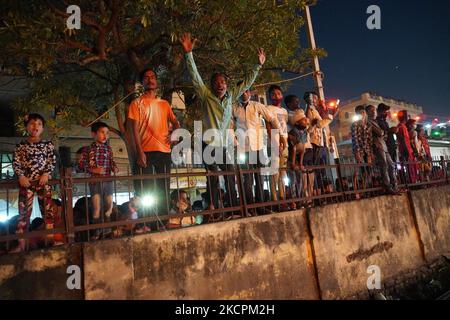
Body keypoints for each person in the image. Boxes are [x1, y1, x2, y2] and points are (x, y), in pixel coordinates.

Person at [180, 32, 265, 210]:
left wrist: (258, 65)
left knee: (230, 175)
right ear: (212, 85)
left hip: (226, 143)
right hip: (208, 142)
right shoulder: (205, 95)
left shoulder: (231, 96)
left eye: (223, 82)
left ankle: (234, 207)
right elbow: (195, 76)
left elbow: (247, 83)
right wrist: (189, 54)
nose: (220, 84)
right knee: (212, 176)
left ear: (226, 85)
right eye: (217, 82)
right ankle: (214, 208)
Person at [128, 68, 180, 214]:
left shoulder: (164, 104)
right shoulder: (136, 103)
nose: (150, 79)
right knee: (148, 190)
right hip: (146, 152)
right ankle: (150, 223)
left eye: (152, 77)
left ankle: (164, 220)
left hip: (164, 151)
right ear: (142, 82)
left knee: (164, 188)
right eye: (146, 77)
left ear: (156, 81)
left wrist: (174, 137)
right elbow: (134, 130)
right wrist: (139, 153)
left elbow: (176, 123)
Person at [11, 113, 56, 252]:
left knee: (48, 213)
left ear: (42, 128)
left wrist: (46, 173)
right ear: (27, 127)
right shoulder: (20, 146)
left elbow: (52, 160)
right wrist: (21, 176)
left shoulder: (48, 144)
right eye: (32, 123)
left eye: (39, 124)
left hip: (43, 183)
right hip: (26, 183)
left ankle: (50, 242)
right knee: (23, 214)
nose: (35, 126)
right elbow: (16, 162)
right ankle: (22, 244)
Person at [233, 88, 281, 214]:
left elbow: (272, 118)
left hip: (258, 147)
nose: (244, 94)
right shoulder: (234, 108)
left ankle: (260, 207)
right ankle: (250, 208)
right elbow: (230, 126)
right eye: (241, 91)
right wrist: (235, 142)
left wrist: (279, 135)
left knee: (259, 177)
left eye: (246, 91)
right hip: (244, 149)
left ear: (250, 93)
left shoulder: (257, 106)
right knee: (247, 179)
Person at [82, 121, 119, 240]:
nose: (105, 135)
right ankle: (97, 232)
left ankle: (107, 230)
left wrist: (115, 167)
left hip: (107, 180)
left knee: (108, 205)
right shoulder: (88, 149)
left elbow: (112, 161)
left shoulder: (108, 149)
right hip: (95, 181)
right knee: (97, 207)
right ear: (94, 134)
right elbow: (81, 165)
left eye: (107, 133)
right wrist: (93, 170)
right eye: (102, 132)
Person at [366, 105, 399, 194]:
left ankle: (394, 186)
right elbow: (380, 133)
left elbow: (383, 134)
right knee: (384, 165)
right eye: (371, 110)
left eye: (374, 110)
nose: (373, 112)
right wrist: (384, 132)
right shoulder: (368, 121)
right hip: (378, 146)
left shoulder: (375, 121)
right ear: (367, 112)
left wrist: (384, 133)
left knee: (391, 165)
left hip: (383, 145)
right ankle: (388, 186)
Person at [266, 85, 289, 210]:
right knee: (274, 173)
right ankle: (274, 200)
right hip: (274, 144)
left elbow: (285, 127)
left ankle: (283, 198)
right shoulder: (268, 108)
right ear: (270, 96)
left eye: (278, 93)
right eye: (273, 94)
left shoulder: (284, 111)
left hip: (284, 144)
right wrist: (276, 143)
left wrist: (284, 142)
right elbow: (268, 127)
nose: (276, 96)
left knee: (282, 173)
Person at [287, 110, 311, 207]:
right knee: (292, 181)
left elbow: (303, 149)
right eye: (303, 120)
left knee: (300, 180)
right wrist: (293, 163)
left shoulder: (304, 132)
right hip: (290, 157)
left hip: (298, 156)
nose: (306, 121)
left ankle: (300, 200)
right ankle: (293, 201)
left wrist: (300, 163)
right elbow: (293, 148)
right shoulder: (293, 132)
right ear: (297, 122)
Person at [351, 105, 373, 192]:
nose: (363, 114)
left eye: (363, 112)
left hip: (367, 150)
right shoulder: (355, 124)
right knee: (358, 170)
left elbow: (370, 139)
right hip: (359, 150)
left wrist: (370, 153)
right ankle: (356, 190)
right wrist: (357, 152)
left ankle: (366, 189)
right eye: (360, 113)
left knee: (367, 171)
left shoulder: (368, 125)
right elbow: (354, 139)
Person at [397, 110, 417, 184]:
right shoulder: (402, 127)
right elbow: (404, 141)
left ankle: (412, 182)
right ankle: (412, 183)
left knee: (410, 168)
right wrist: (407, 152)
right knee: (410, 169)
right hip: (406, 151)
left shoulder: (402, 126)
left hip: (406, 151)